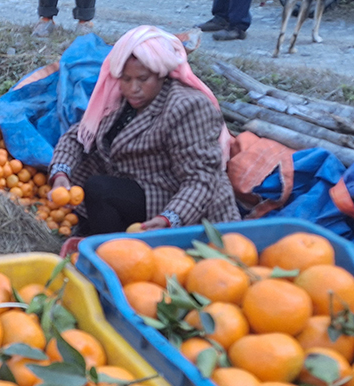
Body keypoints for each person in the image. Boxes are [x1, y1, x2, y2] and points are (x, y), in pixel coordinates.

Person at [48, 26, 239, 236]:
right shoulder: (118, 98)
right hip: (137, 184)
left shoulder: (187, 107)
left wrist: (170, 218)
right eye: (126, 79)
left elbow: (201, 179)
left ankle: (115, 249)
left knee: (98, 188)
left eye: (142, 79)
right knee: (82, 170)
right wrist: (60, 173)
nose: (133, 88)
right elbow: (78, 135)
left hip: (175, 197)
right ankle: (108, 241)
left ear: (161, 75)